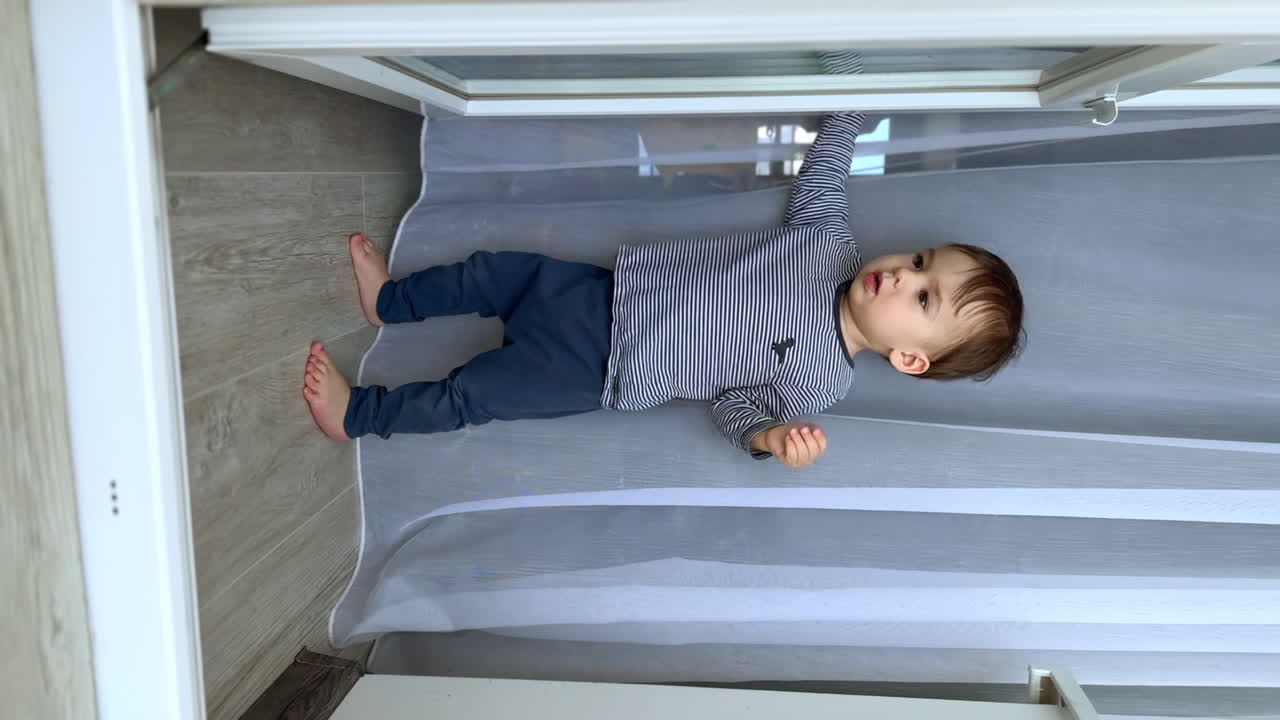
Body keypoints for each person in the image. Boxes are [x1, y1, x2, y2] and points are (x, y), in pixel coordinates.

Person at [303, 112, 1024, 468]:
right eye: (924, 260)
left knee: (471, 394)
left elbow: (735, 409)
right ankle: (391, 303)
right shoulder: (829, 243)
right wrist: (851, 111)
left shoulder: (818, 385)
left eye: (924, 299)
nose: (905, 274)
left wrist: (771, 438)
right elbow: (825, 177)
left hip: (601, 368)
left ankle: (359, 416)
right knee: (488, 271)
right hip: (599, 291)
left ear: (909, 358)